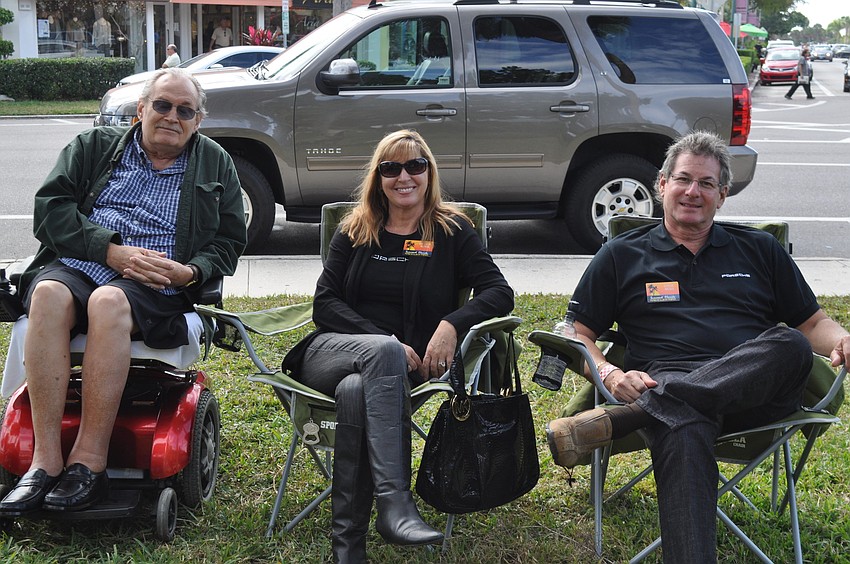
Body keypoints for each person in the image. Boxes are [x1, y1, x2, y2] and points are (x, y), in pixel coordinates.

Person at [545, 131, 849, 563]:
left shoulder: (758, 249)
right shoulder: (620, 254)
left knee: (789, 344)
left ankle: (630, 417)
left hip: (755, 388)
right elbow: (577, 331)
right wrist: (611, 372)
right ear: (661, 184)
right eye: (683, 179)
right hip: (665, 377)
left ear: (722, 195)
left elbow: (813, 323)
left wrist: (842, 339)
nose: (693, 191)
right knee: (683, 426)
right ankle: (660, 411)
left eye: (706, 183)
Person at [0, 68, 246, 516]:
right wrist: (108, 251)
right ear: (140, 110)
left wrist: (190, 272)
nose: (173, 116)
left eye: (185, 110)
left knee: (108, 302)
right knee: (48, 296)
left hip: (155, 281)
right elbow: (49, 211)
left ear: (198, 121)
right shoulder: (92, 147)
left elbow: (230, 241)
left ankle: (89, 464)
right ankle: (44, 462)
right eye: (163, 105)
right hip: (84, 261)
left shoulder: (215, 163)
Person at [282, 129, 514, 562]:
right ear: (379, 177)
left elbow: (498, 292)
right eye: (391, 168)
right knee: (383, 352)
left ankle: (348, 546)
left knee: (356, 394)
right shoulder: (355, 230)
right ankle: (396, 504)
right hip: (332, 353)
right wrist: (381, 339)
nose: (403, 176)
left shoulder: (452, 232)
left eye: (415, 166)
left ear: (429, 173)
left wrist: (451, 323)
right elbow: (324, 303)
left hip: (393, 376)